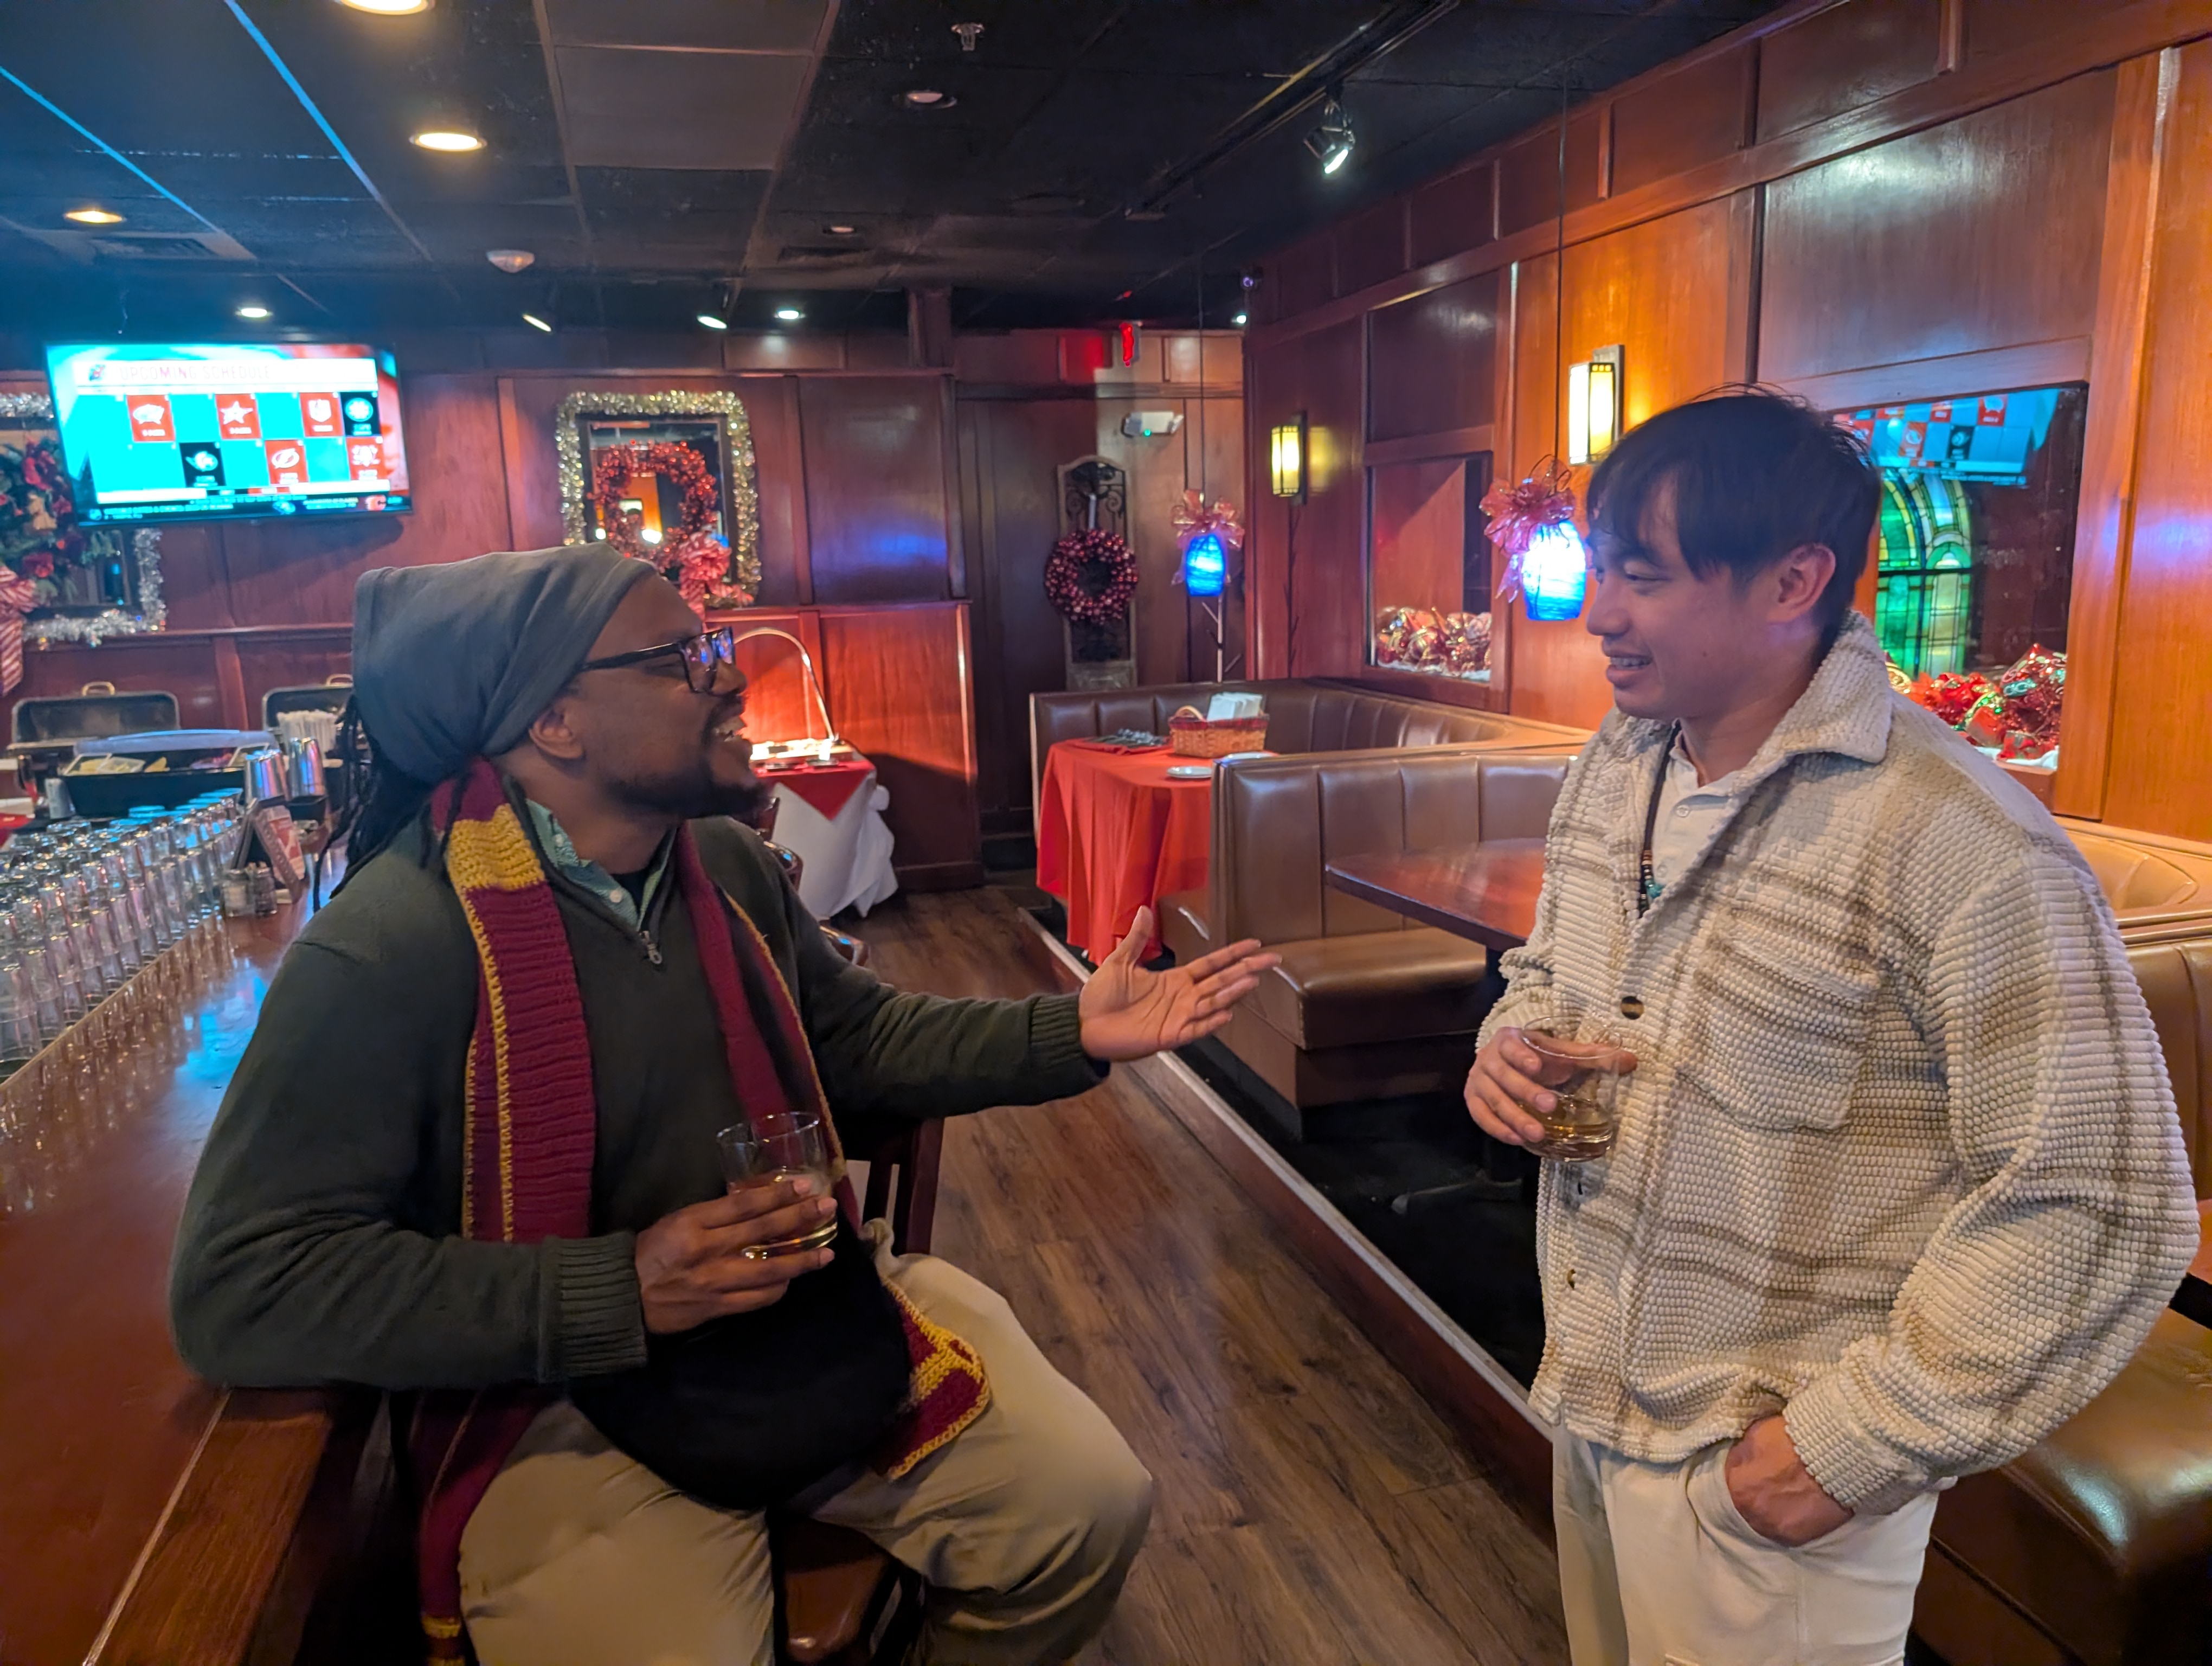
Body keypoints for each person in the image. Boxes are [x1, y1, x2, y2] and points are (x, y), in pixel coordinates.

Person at [169, 546, 1278, 1666]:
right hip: (556, 1401)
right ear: (555, 723)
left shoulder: (721, 866)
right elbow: (243, 1285)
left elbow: (856, 1041)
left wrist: (1072, 1028)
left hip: (802, 1322)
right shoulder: (391, 946)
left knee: (1088, 1509)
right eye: (679, 659)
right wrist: (620, 1290)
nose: (731, 678)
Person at [1462, 390, 2197, 1665]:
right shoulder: (1621, 762)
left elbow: (2102, 1198)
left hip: (1764, 1467)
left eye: (1643, 577)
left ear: (1794, 581)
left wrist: (1850, 1447)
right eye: (1604, 569)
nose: (1599, 613)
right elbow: (1550, 975)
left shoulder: (1959, 839)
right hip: (1591, 1385)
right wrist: (1509, 1043)